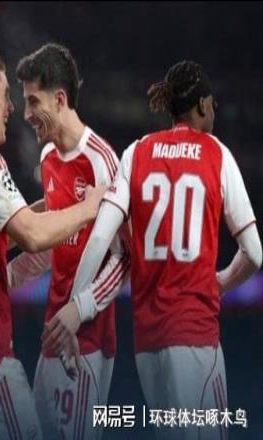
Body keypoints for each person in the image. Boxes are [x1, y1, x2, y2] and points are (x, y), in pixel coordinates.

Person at [46, 60, 262, 439]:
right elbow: (254, 254)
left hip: (147, 346)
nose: (213, 112)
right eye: (212, 106)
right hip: (195, 335)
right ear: (202, 105)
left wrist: (75, 309)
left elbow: (99, 238)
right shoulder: (217, 154)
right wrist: (221, 284)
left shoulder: (137, 152)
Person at [0, 50, 103, 440]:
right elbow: (33, 235)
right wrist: (90, 207)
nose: (12, 107)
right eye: (6, 95)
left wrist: (51, 205)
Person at [6, 43, 129, 440]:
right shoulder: (47, 158)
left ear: (59, 99)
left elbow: (124, 258)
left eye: (33, 101)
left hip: (87, 338)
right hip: (52, 334)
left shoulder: (102, 161)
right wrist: (4, 278)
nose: (26, 114)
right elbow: (53, 245)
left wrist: (80, 309)